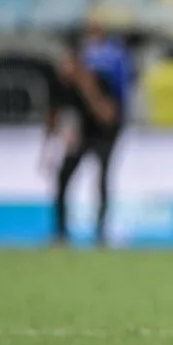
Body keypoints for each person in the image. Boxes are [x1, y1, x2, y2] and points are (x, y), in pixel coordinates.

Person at [47, 26, 129, 248]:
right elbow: (55, 115)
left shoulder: (99, 81)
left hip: (105, 135)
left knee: (102, 179)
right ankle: (60, 233)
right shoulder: (64, 86)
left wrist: (86, 86)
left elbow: (107, 116)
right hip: (82, 135)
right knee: (63, 178)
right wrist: (49, 146)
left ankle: (101, 233)